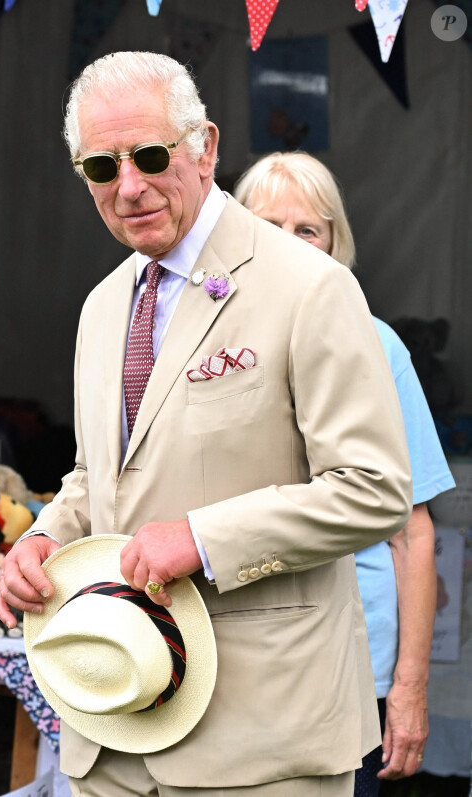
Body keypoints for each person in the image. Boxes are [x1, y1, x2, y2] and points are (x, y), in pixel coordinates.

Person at [0, 51, 413, 796]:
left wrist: (204, 537)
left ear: (206, 146)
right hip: (113, 722)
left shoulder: (310, 285)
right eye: (100, 167)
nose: (128, 186)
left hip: (261, 739)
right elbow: (101, 476)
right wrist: (43, 538)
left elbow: (374, 489)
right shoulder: (101, 306)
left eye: (151, 155)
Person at [233, 150, 455, 796]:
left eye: (309, 229)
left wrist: (410, 689)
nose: (290, 245)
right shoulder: (201, 347)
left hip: (349, 671)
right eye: (269, 226)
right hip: (230, 660)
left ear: (335, 244)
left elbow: (413, 531)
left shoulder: (378, 346)